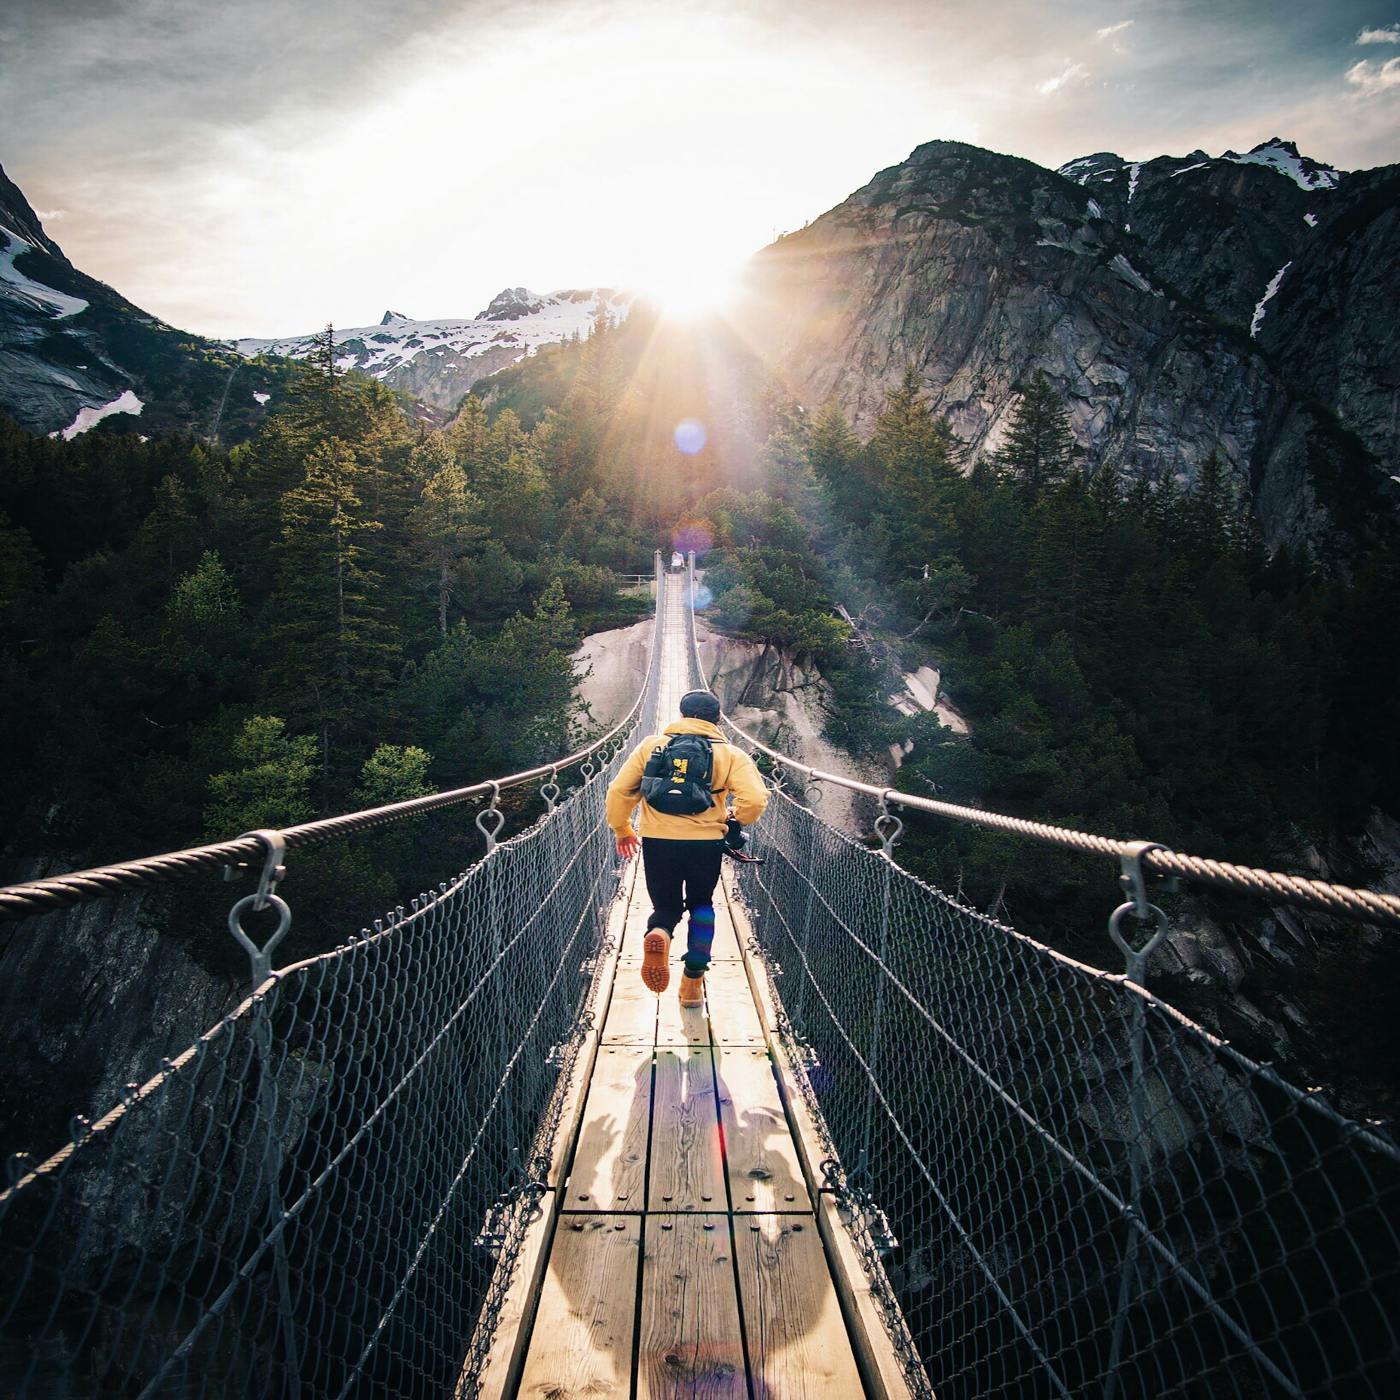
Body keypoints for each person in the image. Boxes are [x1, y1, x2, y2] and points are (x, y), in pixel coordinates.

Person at [605, 689, 768, 1006]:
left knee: (665, 907)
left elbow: (618, 790)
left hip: (658, 841)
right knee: (701, 907)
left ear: (681, 716)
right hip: (705, 844)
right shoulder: (731, 755)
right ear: (717, 719)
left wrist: (623, 829)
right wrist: (736, 818)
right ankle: (693, 982)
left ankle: (661, 933)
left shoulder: (652, 746)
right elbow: (755, 799)